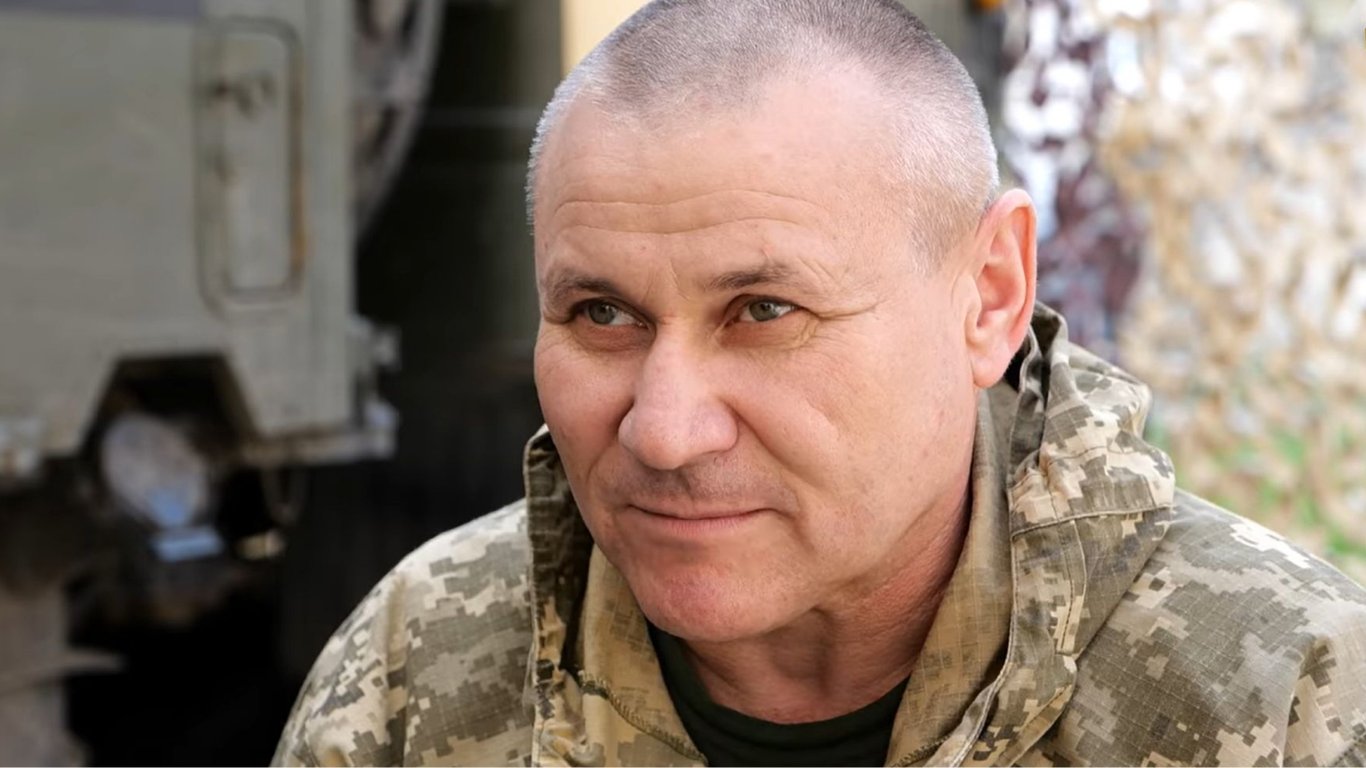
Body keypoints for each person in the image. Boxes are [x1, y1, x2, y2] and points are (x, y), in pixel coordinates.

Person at [273, 1, 1366, 765]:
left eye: (765, 312)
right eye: (602, 314)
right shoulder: (421, 661)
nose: (665, 431)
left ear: (990, 297)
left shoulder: (1288, 695)